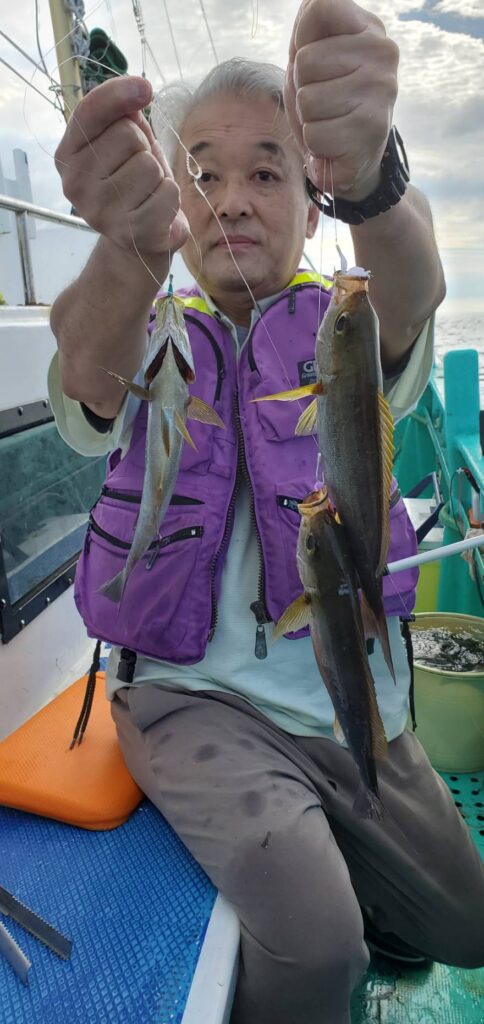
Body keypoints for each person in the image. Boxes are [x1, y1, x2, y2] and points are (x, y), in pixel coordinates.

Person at [49, 2, 484, 1022]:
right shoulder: (151, 330)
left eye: (266, 172)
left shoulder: (347, 328)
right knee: (319, 945)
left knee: (467, 929)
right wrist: (122, 250)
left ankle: (345, 865)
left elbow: (413, 276)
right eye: (201, 174)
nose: (232, 201)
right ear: (170, 198)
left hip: (346, 697)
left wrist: (373, 178)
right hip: (192, 701)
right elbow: (82, 355)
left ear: (312, 204)